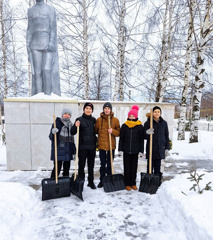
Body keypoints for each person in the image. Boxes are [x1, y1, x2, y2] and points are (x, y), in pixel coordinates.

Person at [26, 0, 61, 96]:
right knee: (37, 73)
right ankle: (38, 96)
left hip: (47, 42)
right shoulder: (30, 10)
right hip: (35, 43)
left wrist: (51, 43)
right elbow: (29, 29)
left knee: (46, 70)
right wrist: (27, 44)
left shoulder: (50, 9)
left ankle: (48, 95)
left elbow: (53, 28)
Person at [71, 103, 97, 189]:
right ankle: (81, 182)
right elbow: (72, 132)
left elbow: (97, 131)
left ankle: (91, 182)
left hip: (92, 147)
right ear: (84, 109)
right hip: (82, 147)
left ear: (92, 110)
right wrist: (75, 126)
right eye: (87, 108)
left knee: (91, 165)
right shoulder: (79, 119)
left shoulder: (94, 120)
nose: (88, 110)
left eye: (90, 108)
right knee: (81, 165)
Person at [95, 102, 120, 188]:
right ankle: (102, 180)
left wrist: (112, 131)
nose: (106, 110)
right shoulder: (98, 120)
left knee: (110, 164)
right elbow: (95, 131)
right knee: (102, 164)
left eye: (108, 108)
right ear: (103, 109)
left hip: (111, 146)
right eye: (105, 108)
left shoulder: (115, 120)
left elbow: (119, 133)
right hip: (102, 146)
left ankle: (109, 179)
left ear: (110, 110)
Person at [118, 105, 144, 191]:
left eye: (133, 116)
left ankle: (133, 183)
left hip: (135, 150)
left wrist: (141, 150)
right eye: (130, 116)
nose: (131, 117)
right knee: (127, 167)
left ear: (136, 116)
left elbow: (141, 140)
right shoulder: (124, 126)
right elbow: (121, 138)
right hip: (126, 150)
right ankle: (127, 183)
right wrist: (120, 149)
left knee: (134, 167)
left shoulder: (140, 126)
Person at [144, 106, 170, 185]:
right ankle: (149, 181)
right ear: (152, 113)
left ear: (160, 113)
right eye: (155, 112)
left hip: (160, 147)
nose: (157, 113)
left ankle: (157, 181)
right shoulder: (148, 123)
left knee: (158, 165)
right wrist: (147, 132)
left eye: (158, 112)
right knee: (150, 165)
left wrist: (167, 148)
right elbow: (144, 136)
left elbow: (166, 135)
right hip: (151, 148)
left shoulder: (164, 123)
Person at [49, 109, 75, 178]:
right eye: (65, 114)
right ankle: (53, 183)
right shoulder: (56, 123)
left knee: (66, 170)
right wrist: (53, 132)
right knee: (57, 169)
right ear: (62, 115)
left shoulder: (71, 125)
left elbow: (71, 140)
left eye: (68, 114)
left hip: (67, 150)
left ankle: (65, 184)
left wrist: (73, 151)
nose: (67, 115)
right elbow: (51, 138)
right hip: (58, 150)